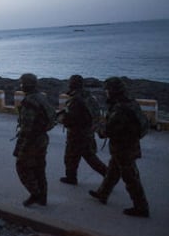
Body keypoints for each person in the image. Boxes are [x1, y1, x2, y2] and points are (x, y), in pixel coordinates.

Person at [89, 77, 149, 217]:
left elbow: (107, 131)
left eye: (108, 90)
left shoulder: (120, 109)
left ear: (113, 91)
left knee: (130, 178)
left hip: (124, 148)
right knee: (113, 171)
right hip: (128, 145)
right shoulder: (130, 102)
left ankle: (141, 207)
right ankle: (102, 193)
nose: (106, 92)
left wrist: (98, 127)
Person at [13, 73, 56, 207]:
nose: (21, 86)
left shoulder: (30, 102)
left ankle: (35, 194)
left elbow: (27, 128)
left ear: (27, 85)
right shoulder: (41, 98)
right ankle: (43, 197)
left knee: (22, 167)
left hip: (32, 141)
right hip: (42, 138)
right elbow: (52, 118)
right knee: (39, 169)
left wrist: (20, 147)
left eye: (22, 83)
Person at [57, 75, 107, 185]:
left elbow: (72, 119)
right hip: (87, 131)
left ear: (72, 84)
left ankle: (72, 178)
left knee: (71, 157)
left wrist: (61, 118)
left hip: (77, 133)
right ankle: (107, 174)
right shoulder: (88, 96)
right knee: (88, 156)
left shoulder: (76, 100)